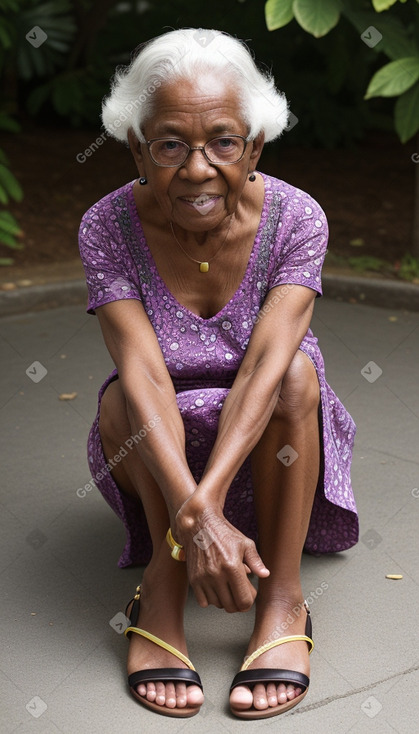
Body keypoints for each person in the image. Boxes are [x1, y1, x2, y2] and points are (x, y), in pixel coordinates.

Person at [78, 27, 358, 720]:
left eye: (223, 142)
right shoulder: (106, 226)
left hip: (272, 445)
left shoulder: (297, 217)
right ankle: (162, 594)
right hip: (160, 454)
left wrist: (205, 507)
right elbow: (141, 372)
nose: (197, 169)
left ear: (254, 145)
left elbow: (265, 369)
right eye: (170, 144)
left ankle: (282, 600)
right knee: (119, 405)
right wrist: (194, 518)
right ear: (137, 147)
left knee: (294, 375)